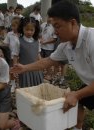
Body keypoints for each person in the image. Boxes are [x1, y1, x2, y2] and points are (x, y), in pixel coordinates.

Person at [11, 1, 94, 130]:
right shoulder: (65, 46)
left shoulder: (91, 40)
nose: (55, 32)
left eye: (58, 26)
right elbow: (47, 61)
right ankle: (78, 127)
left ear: (72, 23)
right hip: (91, 84)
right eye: (53, 27)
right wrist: (24, 68)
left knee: (76, 96)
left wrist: (76, 94)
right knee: (80, 102)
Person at [13, 17, 43, 88]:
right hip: (24, 70)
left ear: (35, 30)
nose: (29, 32)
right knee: (26, 88)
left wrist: (42, 64)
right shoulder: (18, 41)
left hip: (36, 69)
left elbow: (38, 54)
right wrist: (15, 69)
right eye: (27, 29)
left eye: (32, 30)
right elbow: (15, 56)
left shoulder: (37, 41)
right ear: (22, 28)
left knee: (37, 87)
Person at [3, 16, 21, 92]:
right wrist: (1, 51)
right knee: (12, 70)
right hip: (11, 56)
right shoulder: (9, 34)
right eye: (12, 25)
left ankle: (20, 83)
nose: (12, 27)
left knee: (21, 70)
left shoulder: (23, 35)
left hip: (21, 57)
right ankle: (13, 83)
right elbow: (5, 44)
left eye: (14, 26)